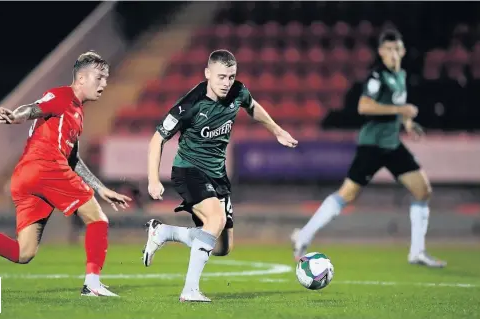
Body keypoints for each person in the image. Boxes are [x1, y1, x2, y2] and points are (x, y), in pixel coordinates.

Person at [0, 51, 132, 296]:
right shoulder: (61, 96)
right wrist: (16, 116)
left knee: (23, 253)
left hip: (27, 176)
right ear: (81, 79)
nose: (104, 84)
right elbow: (34, 108)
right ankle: (92, 284)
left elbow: (74, 160)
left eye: (106, 79)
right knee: (98, 219)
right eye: (99, 78)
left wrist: (101, 188)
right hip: (45, 167)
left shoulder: (77, 112)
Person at [142, 49, 298, 302]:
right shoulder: (189, 105)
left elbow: (252, 106)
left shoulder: (238, 91)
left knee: (223, 248)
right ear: (207, 74)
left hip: (217, 175)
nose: (227, 83)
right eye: (221, 77)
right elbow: (157, 139)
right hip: (188, 170)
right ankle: (190, 291)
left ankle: (164, 232)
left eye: (231, 77)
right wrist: (153, 178)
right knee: (214, 221)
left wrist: (277, 130)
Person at [291, 30, 446, 268]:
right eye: (389, 49)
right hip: (372, 145)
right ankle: (304, 235)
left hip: (392, 145)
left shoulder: (401, 75)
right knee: (347, 194)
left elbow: (396, 107)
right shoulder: (377, 76)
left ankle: (417, 252)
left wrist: (408, 123)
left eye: (397, 49)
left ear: (403, 51)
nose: (394, 54)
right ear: (382, 52)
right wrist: (401, 111)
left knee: (422, 190)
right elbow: (364, 106)